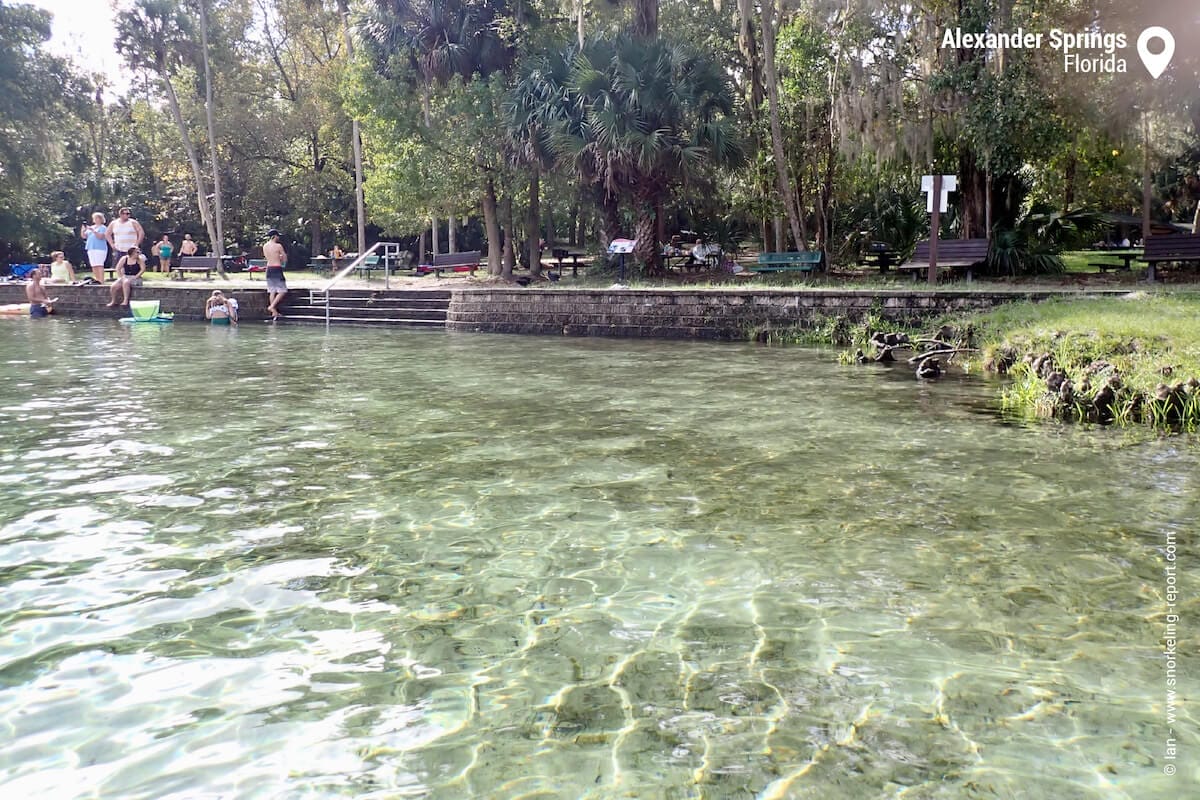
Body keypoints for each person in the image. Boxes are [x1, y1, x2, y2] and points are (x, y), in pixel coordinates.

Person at [263, 229, 287, 320]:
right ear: (274, 236)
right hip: (277, 268)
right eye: (278, 236)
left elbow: (268, 257)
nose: (279, 237)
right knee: (282, 290)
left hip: (269, 269)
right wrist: (281, 258)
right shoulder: (278, 246)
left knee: (272, 291)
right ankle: (272, 306)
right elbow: (284, 258)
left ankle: (274, 313)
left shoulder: (265, 246)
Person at [80, 212, 108, 283]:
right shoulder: (91, 227)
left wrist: (93, 231)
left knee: (99, 264)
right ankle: (97, 280)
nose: (95, 219)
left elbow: (101, 237)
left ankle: (101, 280)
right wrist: (83, 230)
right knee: (94, 265)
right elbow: (84, 236)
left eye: (97, 218)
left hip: (100, 248)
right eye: (94, 218)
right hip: (91, 248)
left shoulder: (103, 227)